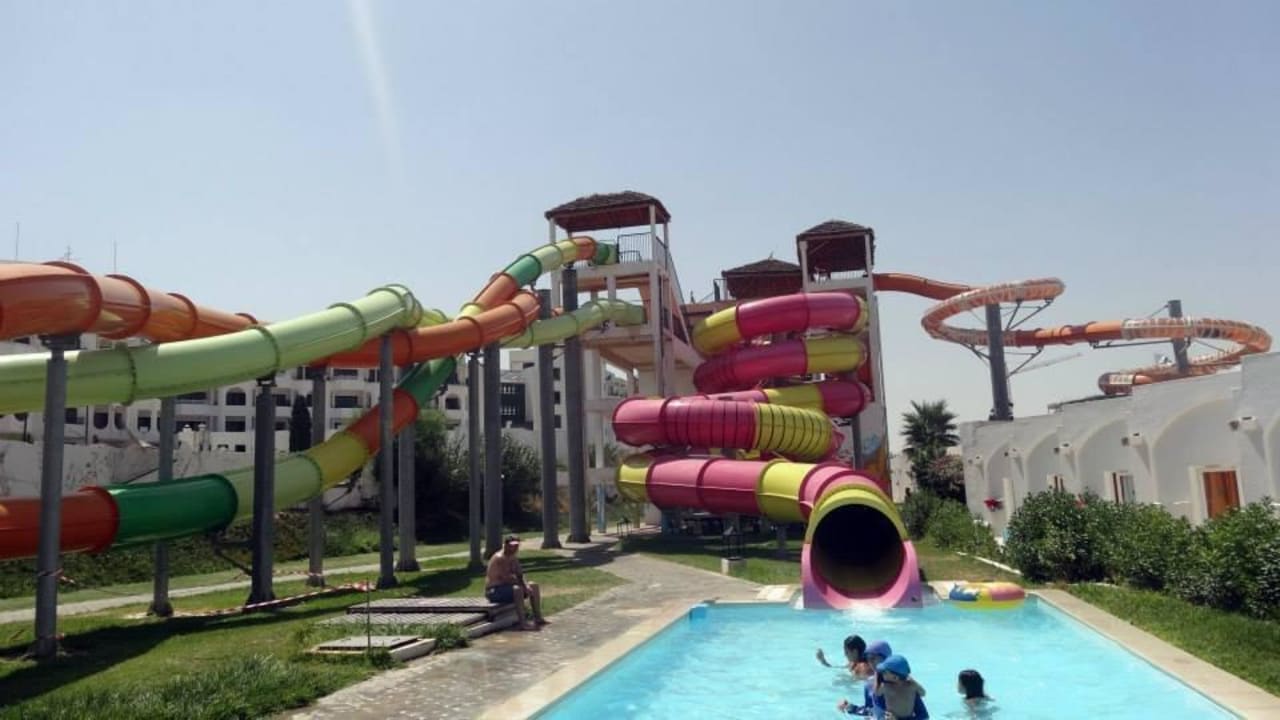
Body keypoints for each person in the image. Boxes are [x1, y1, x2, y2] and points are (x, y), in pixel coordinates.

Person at [484, 534, 546, 630]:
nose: (515, 548)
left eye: (517, 545)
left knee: (533, 585)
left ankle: (538, 617)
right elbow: (505, 579)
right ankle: (523, 623)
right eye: (513, 545)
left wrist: (526, 586)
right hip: (494, 591)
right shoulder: (500, 558)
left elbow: (520, 574)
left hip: (507, 588)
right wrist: (524, 587)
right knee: (517, 589)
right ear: (506, 545)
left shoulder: (513, 557)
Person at [837, 639, 893, 717]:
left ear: (886, 658)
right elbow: (869, 711)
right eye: (868, 659)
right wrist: (849, 707)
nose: (870, 662)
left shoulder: (901, 683)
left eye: (873, 658)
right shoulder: (869, 684)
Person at [873, 654, 928, 720]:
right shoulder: (911, 686)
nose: (882, 674)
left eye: (884, 672)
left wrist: (876, 675)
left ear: (895, 677)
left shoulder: (886, 687)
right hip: (897, 717)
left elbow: (876, 693)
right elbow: (923, 693)